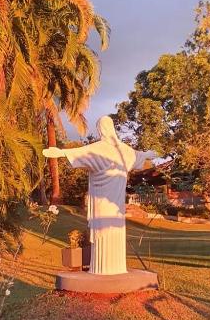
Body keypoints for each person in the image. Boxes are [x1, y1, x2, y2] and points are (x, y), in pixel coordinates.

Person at [43, 116, 157, 275]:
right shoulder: (124, 150)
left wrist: (60, 153)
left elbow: (79, 153)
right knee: (112, 233)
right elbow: (138, 156)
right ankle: (113, 268)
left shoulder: (99, 149)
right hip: (115, 206)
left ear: (101, 129)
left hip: (102, 204)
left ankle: (103, 270)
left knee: (103, 233)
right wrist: (147, 154)